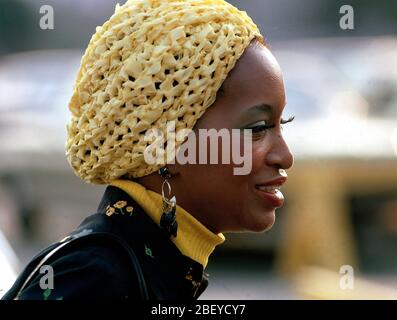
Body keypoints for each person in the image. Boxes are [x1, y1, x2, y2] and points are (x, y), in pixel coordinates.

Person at [3, 0, 294, 300]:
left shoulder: (154, 265)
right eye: (258, 128)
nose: (285, 156)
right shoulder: (95, 278)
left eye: (283, 122)